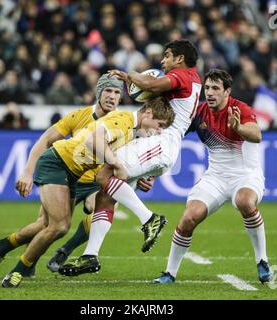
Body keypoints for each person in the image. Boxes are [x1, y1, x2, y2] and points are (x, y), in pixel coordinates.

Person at [0, 91, 174, 288]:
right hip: (57, 163)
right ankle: (16, 272)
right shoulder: (124, 120)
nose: (159, 131)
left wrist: (139, 179)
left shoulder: (131, 129)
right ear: (147, 113)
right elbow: (92, 140)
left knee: (56, 226)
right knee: (58, 225)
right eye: (160, 125)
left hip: (72, 172)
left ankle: (1, 248)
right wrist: (116, 164)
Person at [58, 39, 202, 277]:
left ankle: (150, 219)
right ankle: (90, 256)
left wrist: (129, 75)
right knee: (106, 195)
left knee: (105, 173)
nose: (163, 60)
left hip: (160, 139)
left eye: (167, 55)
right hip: (156, 141)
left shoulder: (184, 75)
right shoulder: (189, 82)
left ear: (180, 59)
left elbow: (150, 84)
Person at [0, 74, 125, 282]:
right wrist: (27, 172)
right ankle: (2, 247)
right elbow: (46, 140)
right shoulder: (78, 116)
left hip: (96, 181)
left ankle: (64, 251)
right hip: (68, 176)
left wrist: (145, 177)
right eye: (108, 91)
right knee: (46, 224)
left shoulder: (121, 122)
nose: (112, 97)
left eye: (117, 92)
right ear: (98, 93)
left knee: (105, 210)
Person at [152, 69, 273, 284]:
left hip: (245, 176)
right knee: (189, 218)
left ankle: (262, 260)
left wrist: (238, 128)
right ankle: (169, 273)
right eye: (207, 88)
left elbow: (256, 135)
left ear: (227, 91)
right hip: (215, 178)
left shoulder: (240, 109)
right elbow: (174, 131)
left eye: (215, 88)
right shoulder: (199, 112)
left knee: (244, 201)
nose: (209, 92)